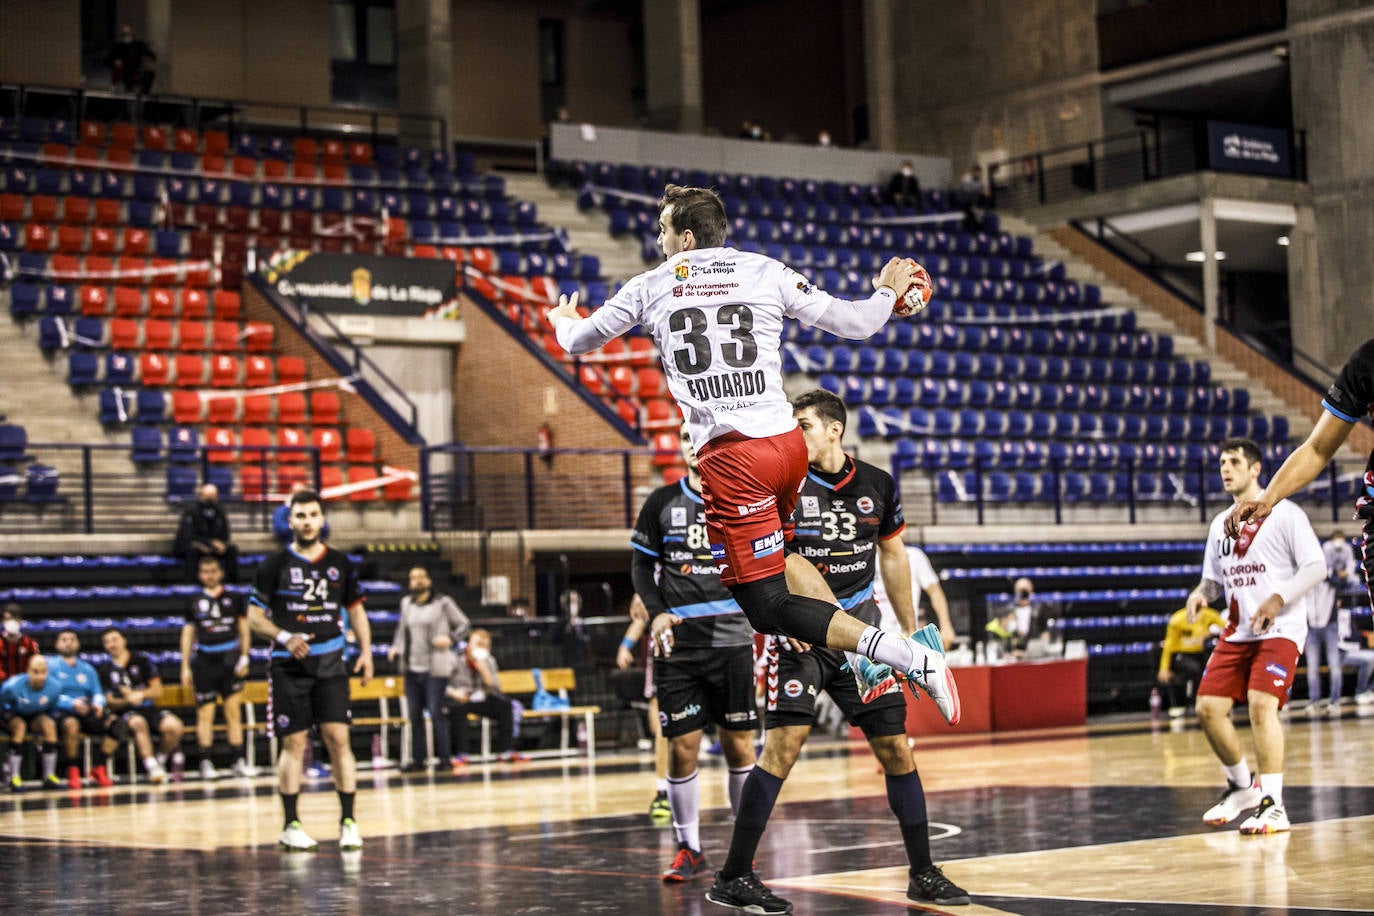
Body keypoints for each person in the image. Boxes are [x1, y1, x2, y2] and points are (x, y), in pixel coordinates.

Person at [549, 188, 957, 910]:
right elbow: (859, 324)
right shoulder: (764, 267)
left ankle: (900, 653)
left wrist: (560, 318)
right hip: (783, 447)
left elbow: (577, 343)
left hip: (733, 457)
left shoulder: (651, 284)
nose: (658, 237)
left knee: (765, 604)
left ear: (680, 236)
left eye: (661, 228)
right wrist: (887, 293)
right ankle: (741, 871)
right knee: (788, 572)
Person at [713, 390, 969, 913]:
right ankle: (734, 874)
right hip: (803, 636)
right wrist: (834, 624)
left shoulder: (877, 483)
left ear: (835, 429)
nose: (793, 434)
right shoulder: (783, 481)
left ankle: (922, 873)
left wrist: (908, 635)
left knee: (895, 748)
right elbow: (780, 559)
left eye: (803, 425)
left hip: (864, 634)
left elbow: (894, 557)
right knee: (782, 747)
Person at [630, 424, 759, 883]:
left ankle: (743, 852)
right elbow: (641, 567)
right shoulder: (661, 502)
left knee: (739, 747)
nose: (691, 444)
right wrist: (658, 611)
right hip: (678, 645)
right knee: (682, 751)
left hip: (732, 641)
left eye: (697, 436)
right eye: (684, 438)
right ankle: (689, 848)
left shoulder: (743, 498)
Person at [1189, 439, 1324, 835]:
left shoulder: (1286, 514)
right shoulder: (1219, 525)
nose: (1225, 469)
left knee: (1261, 704)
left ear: (1255, 469)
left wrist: (1278, 599)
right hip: (1238, 631)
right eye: (1221, 463)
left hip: (1280, 628)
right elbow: (1213, 580)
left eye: (1234, 462)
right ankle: (1242, 787)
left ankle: (1274, 805)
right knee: (1207, 709)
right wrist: (1200, 594)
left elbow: (1315, 567)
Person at [248, 488, 371, 852]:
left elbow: (357, 609)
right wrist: (284, 636)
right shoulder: (273, 566)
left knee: (338, 739)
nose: (307, 521)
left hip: (332, 662)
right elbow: (254, 618)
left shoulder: (340, 563)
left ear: (322, 518)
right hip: (290, 667)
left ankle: (348, 822)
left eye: (313, 514)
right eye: (300, 516)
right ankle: (291, 824)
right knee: (294, 744)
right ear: (290, 521)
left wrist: (366, 651)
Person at [388, 565, 470, 770]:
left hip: (435, 668)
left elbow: (464, 624)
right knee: (414, 716)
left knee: (435, 713)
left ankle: (444, 759)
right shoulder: (406, 603)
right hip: (412, 668)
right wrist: (396, 648)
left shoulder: (443, 603)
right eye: (413, 577)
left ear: (429, 580)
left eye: (421, 577)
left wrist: (450, 639)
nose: (417, 581)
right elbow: (401, 630)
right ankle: (418, 760)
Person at [180, 554, 252, 780]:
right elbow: (189, 633)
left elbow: (244, 627)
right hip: (205, 661)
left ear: (221, 573)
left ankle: (238, 760)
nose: (209, 575)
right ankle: (205, 762)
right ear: (200, 575)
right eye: (205, 572)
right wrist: (185, 665)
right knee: (205, 713)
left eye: (213, 571)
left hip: (229, 659)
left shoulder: (234, 597)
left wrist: (245, 656)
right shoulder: (194, 600)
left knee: (233, 712)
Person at [97, 627, 184, 784]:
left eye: (114, 639)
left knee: (174, 726)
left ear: (124, 640)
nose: (112, 644)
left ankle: (160, 760)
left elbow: (157, 691)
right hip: (125, 714)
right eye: (107, 642)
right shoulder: (104, 670)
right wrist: (127, 700)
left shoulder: (141, 661)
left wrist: (140, 694)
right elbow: (109, 702)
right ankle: (151, 767)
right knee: (138, 723)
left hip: (149, 709)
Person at [616, 594, 671, 822]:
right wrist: (625, 647)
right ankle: (662, 790)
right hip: (664, 653)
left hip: (700, 646)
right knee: (661, 724)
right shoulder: (656, 578)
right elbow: (639, 619)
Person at [444, 629, 526, 765]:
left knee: (505, 706)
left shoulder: (489, 660)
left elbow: (496, 688)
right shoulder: (455, 659)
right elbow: (440, 684)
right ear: (469, 644)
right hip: (460, 698)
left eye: (486, 645)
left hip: (481, 698)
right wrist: (455, 693)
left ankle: (505, 750)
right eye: (478, 644)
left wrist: (484, 670)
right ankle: (462, 753)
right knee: (456, 709)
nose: (482, 648)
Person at [48, 629, 109, 789]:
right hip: (62, 710)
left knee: (114, 724)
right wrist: (72, 703)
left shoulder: (87, 669)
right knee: (71, 725)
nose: (68, 642)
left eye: (72, 639)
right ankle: (73, 770)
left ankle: (98, 767)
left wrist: (97, 703)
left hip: (85, 710)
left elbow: (97, 692)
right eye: (64, 639)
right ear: (57, 644)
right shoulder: (51, 666)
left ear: (78, 644)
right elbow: (50, 694)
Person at [1304, 533, 1357, 715]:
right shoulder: (1304, 575)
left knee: (1334, 665)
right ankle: (1314, 701)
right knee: (1312, 667)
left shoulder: (1330, 572)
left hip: (1330, 624)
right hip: (1311, 626)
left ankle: (1334, 702)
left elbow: (1343, 581)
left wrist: (1329, 573)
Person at [0, 655, 64, 790]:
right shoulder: (12, 686)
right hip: (14, 713)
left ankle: (49, 776)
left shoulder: (55, 687)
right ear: (28, 670)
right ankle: (15, 777)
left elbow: (53, 708)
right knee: (20, 726)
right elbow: (2, 706)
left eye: (43, 672)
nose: (39, 676)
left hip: (36, 715)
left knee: (49, 724)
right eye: (35, 671)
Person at [873, 545, 954, 646]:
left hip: (905, 635)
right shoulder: (867, 558)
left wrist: (945, 625)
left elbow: (935, 591)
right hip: (873, 635)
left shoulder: (914, 555)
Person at [1158, 605, 1227, 717]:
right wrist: (1164, 668)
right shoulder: (1177, 619)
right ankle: (1192, 702)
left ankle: (1211, 702)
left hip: (1200, 653)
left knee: (1212, 668)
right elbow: (1168, 646)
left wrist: (1211, 632)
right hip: (1181, 654)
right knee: (1194, 669)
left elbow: (1227, 626)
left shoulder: (1209, 614)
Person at [174, 483, 239, 582]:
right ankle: (192, 584)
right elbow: (187, 536)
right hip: (194, 546)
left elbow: (225, 535)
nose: (209, 500)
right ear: (201, 496)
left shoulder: (220, 511)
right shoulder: (191, 511)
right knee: (192, 551)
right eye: (207, 497)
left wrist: (221, 544)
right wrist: (207, 543)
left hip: (213, 548)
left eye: (212, 497)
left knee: (231, 549)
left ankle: (231, 584)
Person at [104, 24, 156, 93]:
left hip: (136, 70)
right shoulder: (118, 47)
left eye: (128, 33)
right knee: (124, 78)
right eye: (124, 34)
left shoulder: (138, 45)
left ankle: (144, 95)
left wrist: (149, 57)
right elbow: (107, 60)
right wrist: (115, 62)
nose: (127, 36)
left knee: (149, 74)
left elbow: (150, 55)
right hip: (124, 71)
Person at [1, 602, 40, 681]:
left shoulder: (29, 643)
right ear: (3, 621)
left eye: (14, 618)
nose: (11, 622)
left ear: (20, 621)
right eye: (8, 619)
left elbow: (35, 665)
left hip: (24, 685)